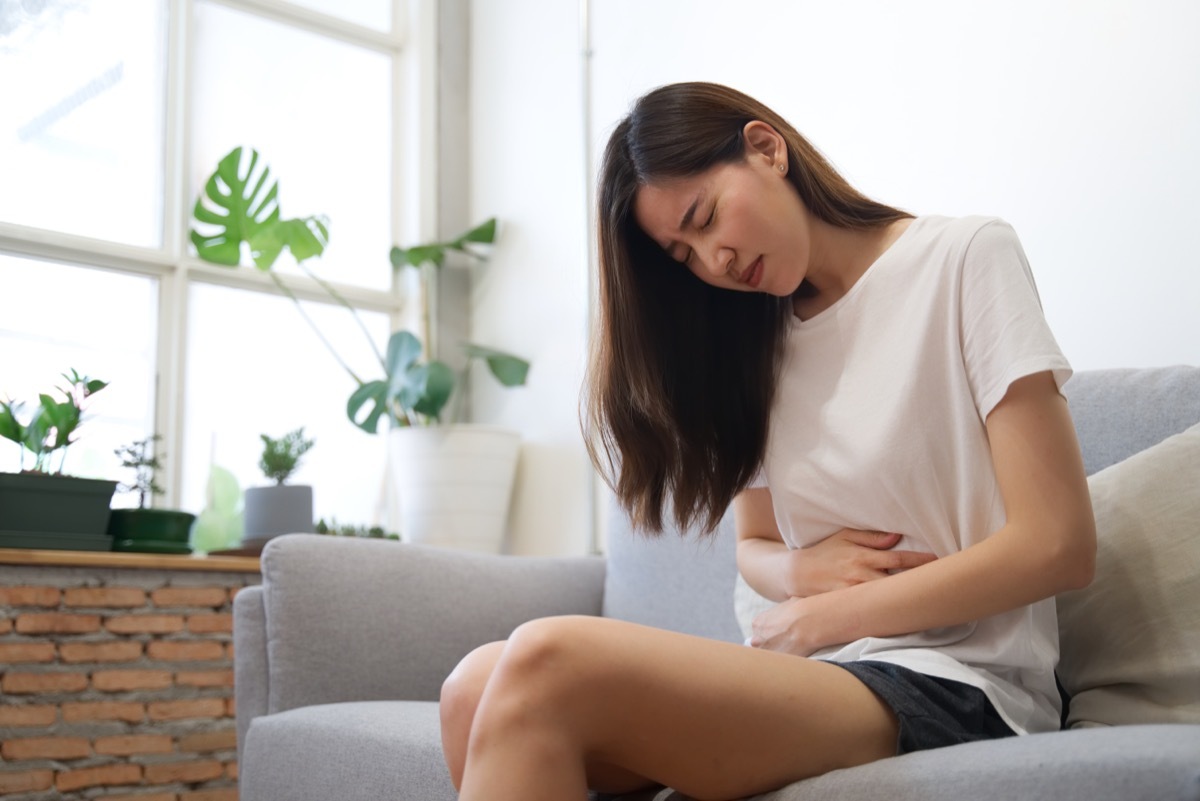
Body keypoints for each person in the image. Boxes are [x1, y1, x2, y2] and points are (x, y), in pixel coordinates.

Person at [439, 81, 1096, 801]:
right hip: (817, 672)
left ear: (765, 148)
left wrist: (821, 617)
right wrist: (799, 572)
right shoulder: (754, 343)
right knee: (472, 685)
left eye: (704, 217)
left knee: (545, 657)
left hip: (959, 682)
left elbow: (1058, 544)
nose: (713, 261)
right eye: (684, 255)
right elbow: (754, 545)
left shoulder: (964, 258)